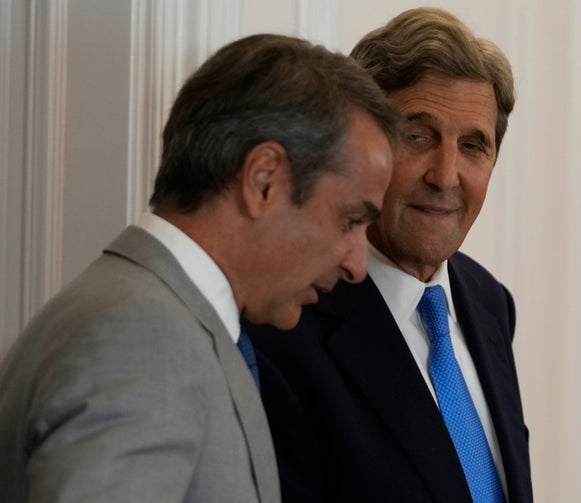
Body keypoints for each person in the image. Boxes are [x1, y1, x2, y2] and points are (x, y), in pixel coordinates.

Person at [0, 33, 398, 502]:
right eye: (350, 220)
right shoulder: (145, 338)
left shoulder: (156, 317)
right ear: (264, 180)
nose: (356, 263)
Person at [246, 8, 533, 503]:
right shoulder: (286, 323)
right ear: (359, 147)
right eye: (417, 136)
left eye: (472, 146)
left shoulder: (490, 304)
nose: (445, 176)